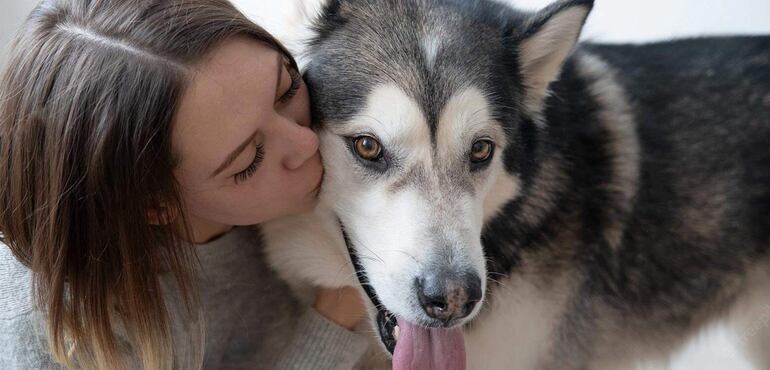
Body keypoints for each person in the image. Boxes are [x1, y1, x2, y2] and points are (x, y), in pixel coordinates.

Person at [0, 0, 369, 369]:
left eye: (286, 89)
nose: (307, 143)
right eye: (249, 160)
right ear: (157, 206)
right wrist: (336, 314)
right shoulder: (57, 334)